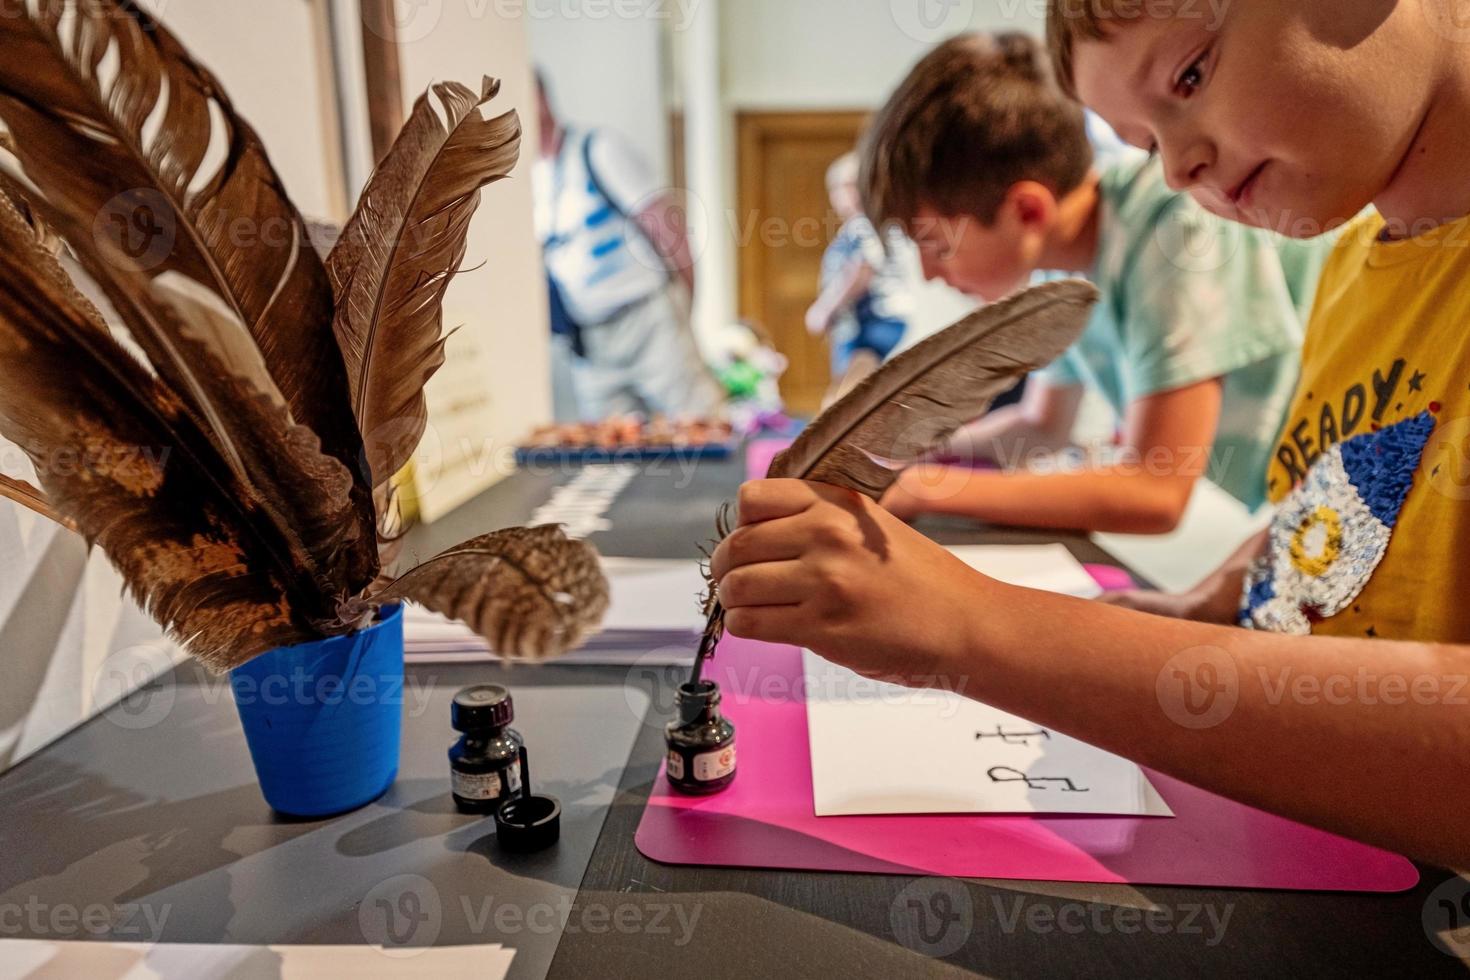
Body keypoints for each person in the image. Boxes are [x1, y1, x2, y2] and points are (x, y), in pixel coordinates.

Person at [708, 1, 1470, 868]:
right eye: (1144, 143)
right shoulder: (1355, 255)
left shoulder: (1196, 232)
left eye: (1190, 74)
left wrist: (965, 613)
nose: (1178, 169)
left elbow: (1155, 488)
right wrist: (1206, 605)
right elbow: (1326, 500)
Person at [862, 33, 1333, 534]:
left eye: (936, 244)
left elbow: (1154, 491)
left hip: (1330, 517)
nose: (931, 273)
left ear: (1027, 211)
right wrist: (904, 454)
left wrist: (922, 490)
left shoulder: (1175, 228)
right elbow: (1042, 426)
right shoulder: (1055, 261)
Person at [532, 72, 724, 421]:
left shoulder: (597, 149)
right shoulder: (531, 179)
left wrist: (684, 309)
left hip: (646, 318)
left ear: (540, 99)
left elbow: (670, 232)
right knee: (612, 449)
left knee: (699, 425)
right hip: (590, 342)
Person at [806, 153, 914, 406]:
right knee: (849, 398)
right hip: (862, 326)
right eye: (839, 188)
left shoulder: (866, 225)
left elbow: (863, 268)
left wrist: (824, 309)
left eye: (854, 186)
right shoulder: (860, 226)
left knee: (846, 402)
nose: (847, 195)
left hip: (873, 324)